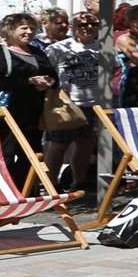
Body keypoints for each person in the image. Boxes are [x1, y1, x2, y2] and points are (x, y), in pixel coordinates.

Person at [0, 14, 58, 186]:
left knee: (32, 153)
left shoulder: (36, 51)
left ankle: (27, 191)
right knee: (4, 153)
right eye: (24, 28)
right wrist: (29, 81)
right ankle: (2, 190)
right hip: (5, 114)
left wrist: (48, 82)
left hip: (33, 113)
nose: (29, 32)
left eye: (32, 28)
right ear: (9, 30)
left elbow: (54, 77)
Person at [42, 10, 114, 197]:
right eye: (82, 25)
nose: (88, 28)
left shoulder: (105, 48)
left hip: (94, 104)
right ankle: (51, 184)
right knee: (58, 145)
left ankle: (79, 181)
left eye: (93, 24)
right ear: (72, 28)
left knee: (86, 144)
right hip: (68, 104)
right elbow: (45, 72)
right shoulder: (58, 49)